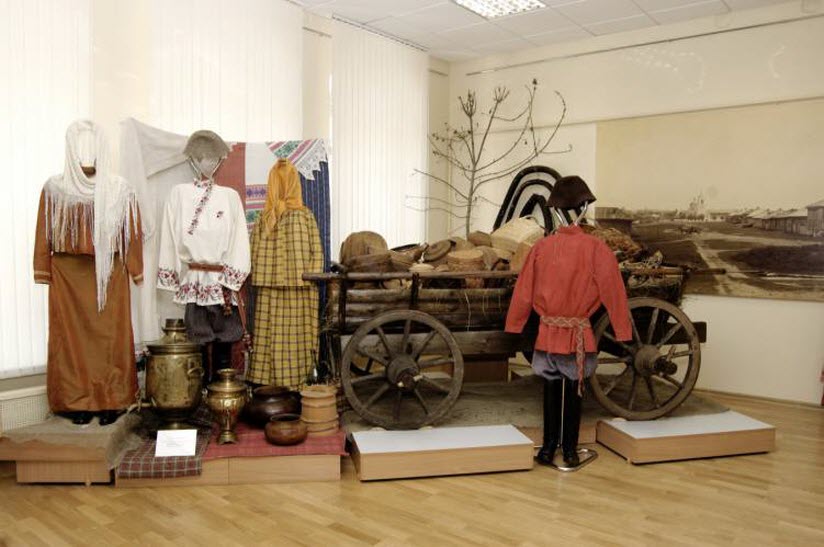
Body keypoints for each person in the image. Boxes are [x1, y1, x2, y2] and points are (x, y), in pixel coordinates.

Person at [505, 176, 631, 467]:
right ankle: (569, 449)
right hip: (576, 331)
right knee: (574, 390)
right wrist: (622, 329)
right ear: (584, 208)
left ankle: (549, 447)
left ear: (556, 210)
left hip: (551, 331)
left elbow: (523, 290)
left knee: (551, 387)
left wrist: (515, 324)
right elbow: (614, 291)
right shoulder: (597, 249)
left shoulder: (541, 248)